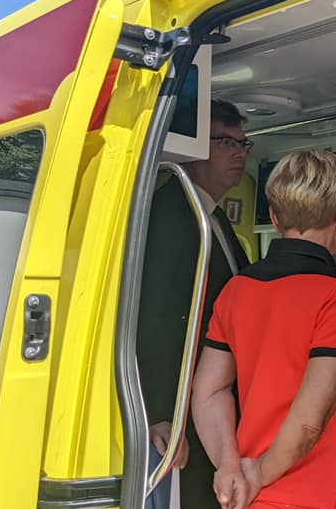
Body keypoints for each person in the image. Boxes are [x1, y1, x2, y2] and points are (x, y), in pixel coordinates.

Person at [192, 148, 336, 509]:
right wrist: (259, 472)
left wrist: (230, 467)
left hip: (251, 496)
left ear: (274, 217)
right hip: (319, 496)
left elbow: (208, 390)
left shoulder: (236, 290)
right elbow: (310, 419)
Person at [137, 100, 252, 508]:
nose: (239, 153)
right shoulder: (169, 214)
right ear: (193, 148)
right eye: (226, 142)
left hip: (214, 402)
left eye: (243, 144)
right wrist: (158, 412)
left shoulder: (213, 219)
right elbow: (154, 317)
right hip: (181, 410)